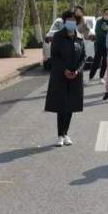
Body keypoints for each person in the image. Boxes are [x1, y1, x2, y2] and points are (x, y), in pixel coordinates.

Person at [44, 8, 85, 146]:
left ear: (77, 21)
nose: (71, 22)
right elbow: (54, 56)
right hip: (60, 75)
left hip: (75, 76)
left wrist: (77, 71)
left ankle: (66, 133)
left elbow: (83, 56)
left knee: (71, 105)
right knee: (61, 105)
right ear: (64, 21)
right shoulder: (58, 36)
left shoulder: (80, 37)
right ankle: (60, 135)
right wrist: (64, 70)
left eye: (73, 20)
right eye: (68, 20)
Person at [88, 7, 108, 82]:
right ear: (103, 14)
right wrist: (106, 32)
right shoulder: (99, 22)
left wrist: (107, 30)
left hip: (107, 46)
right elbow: (98, 32)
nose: (107, 15)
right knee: (96, 61)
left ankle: (101, 77)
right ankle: (91, 77)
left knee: (105, 62)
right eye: (105, 13)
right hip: (99, 44)